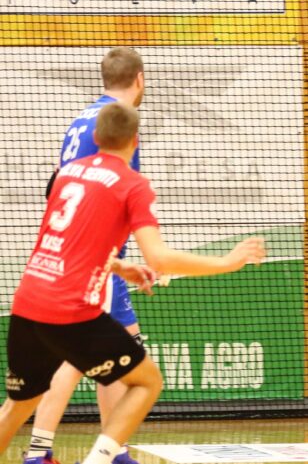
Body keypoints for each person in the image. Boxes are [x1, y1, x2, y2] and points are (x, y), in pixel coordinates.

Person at [0, 103, 267, 464]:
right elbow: (159, 259)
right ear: (135, 141)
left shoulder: (67, 172)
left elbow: (63, 241)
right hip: (71, 310)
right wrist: (226, 261)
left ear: (97, 137)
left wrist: (118, 266)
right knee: (147, 382)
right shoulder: (132, 184)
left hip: (29, 301)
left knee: (17, 406)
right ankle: (101, 460)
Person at [25, 47, 147, 464]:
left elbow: (58, 187)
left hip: (77, 255)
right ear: (140, 78)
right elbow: (119, 193)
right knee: (94, 358)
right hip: (96, 260)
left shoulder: (80, 120)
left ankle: (110, 450)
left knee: (114, 355)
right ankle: (46, 451)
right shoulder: (120, 122)